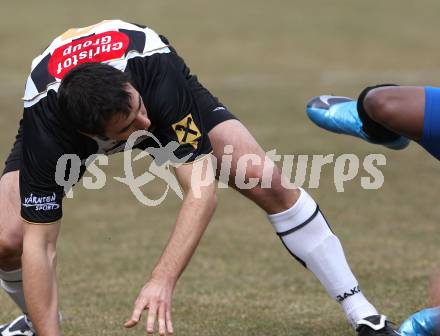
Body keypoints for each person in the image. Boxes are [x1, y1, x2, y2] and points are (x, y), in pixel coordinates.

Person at [0, 20, 398, 336]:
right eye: (130, 126)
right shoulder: (48, 130)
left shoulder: (155, 77)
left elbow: (201, 193)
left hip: (155, 83)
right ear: (94, 136)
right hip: (70, 116)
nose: (146, 124)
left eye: (138, 110)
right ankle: (38, 325)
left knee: (262, 177)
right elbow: (41, 246)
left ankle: (361, 311)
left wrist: (161, 279)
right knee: (8, 238)